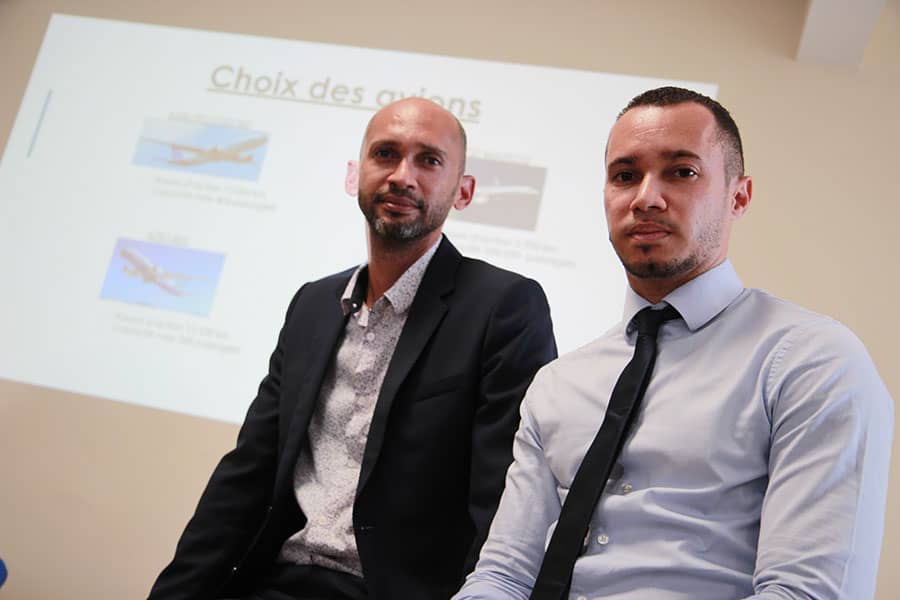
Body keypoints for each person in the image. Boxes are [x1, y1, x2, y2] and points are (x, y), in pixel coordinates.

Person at [455, 87, 893, 599]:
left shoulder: (811, 361)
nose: (646, 198)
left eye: (682, 172)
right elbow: (503, 576)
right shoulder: (558, 384)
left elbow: (807, 592)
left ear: (739, 196)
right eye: (625, 176)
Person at [148, 98, 557, 600]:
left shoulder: (504, 306)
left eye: (429, 160)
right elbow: (248, 473)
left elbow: (506, 500)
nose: (402, 176)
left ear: (464, 191)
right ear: (354, 174)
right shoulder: (313, 304)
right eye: (385, 154)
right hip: (275, 582)